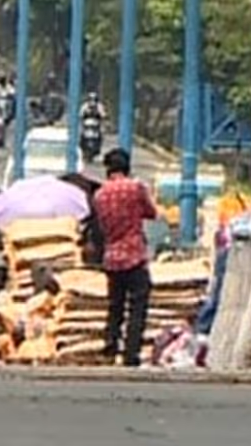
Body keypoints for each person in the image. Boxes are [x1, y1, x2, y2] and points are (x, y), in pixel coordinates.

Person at [93, 147, 159, 367]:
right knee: (137, 306)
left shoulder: (100, 195)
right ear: (127, 167)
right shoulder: (136, 188)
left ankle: (110, 346)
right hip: (134, 255)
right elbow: (151, 212)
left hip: (112, 257)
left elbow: (101, 227)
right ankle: (131, 354)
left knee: (115, 305)